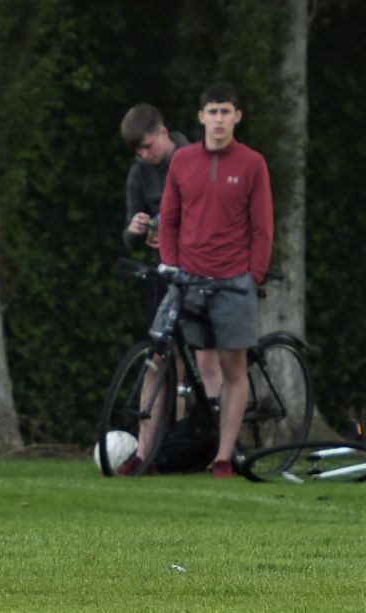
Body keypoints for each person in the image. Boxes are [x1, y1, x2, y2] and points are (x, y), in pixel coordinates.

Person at [159, 82, 273, 479]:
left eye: (226, 111)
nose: (219, 119)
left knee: (232, 366)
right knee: (185, 359)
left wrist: (251, 276)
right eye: (213, 112)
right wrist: (171, 263)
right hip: (188, 276)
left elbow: (262, 228)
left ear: (237, 116)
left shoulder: (252, 163)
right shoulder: (183, 161)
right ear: (201, 117)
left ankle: (223, 456)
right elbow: (169, 218)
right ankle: (183, 442)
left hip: (233, 280)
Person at [115, 103, 212, 475]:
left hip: (201, 274)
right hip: (164, 277)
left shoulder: (195, 161)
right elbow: (128, 236)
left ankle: (200, 446)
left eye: (147, 146)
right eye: (138, 151)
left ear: (162, 132)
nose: (144, 155)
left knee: (202, 360)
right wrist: (135, 230)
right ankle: (147, 451)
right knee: (160, 357)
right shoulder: (139, 174)